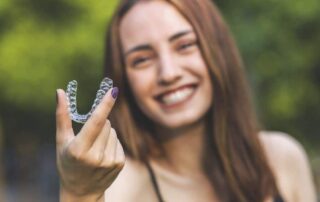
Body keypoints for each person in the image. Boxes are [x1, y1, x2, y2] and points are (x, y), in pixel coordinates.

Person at [55, 0, 317, 201]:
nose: (168, 73)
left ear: (218, 49)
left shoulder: (282, 159)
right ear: (122, 79)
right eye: (142, 59)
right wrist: (79, 194)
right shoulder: (117, 186)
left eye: (184, 45)